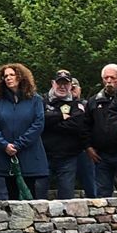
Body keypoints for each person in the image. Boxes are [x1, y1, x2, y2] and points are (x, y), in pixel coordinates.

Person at [0, 63, 49, 200]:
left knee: (30, 194)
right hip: (6, 155)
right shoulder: (0, 101)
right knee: (12, 196)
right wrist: (4, 145)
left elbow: (38, 124)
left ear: (20, 77)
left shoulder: (35, 99)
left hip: (29, 154)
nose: (8, 78)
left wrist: (18, 145)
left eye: (11, 75)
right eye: (5, 76)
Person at [41, 70, 90, 199]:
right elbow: (40, 121)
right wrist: (61, 116)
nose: (62, 87)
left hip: (68, 158)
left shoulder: (77, 104)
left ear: (70, 85)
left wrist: (52, 123)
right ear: (53, 83)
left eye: (66, 84)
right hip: (44, 155)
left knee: (67, 197)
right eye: (59, 83)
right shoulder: (42, 101)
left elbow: (77, 125)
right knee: (39, 195)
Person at [86, 64, 117, 200]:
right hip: (101, 155)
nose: (109, 81)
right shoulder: (93, 101)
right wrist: (88, 147)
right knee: (102, 194)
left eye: (113, 77)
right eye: (106, 78)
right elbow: (85, 126)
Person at [71, 77, 97, 197]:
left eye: (74, 87)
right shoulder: (58, 104)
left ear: (80, 89)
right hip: (67, 149)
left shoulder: (87, 105)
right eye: (69, 87)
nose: (72, 90)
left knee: (90, 181)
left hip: (85, 149)